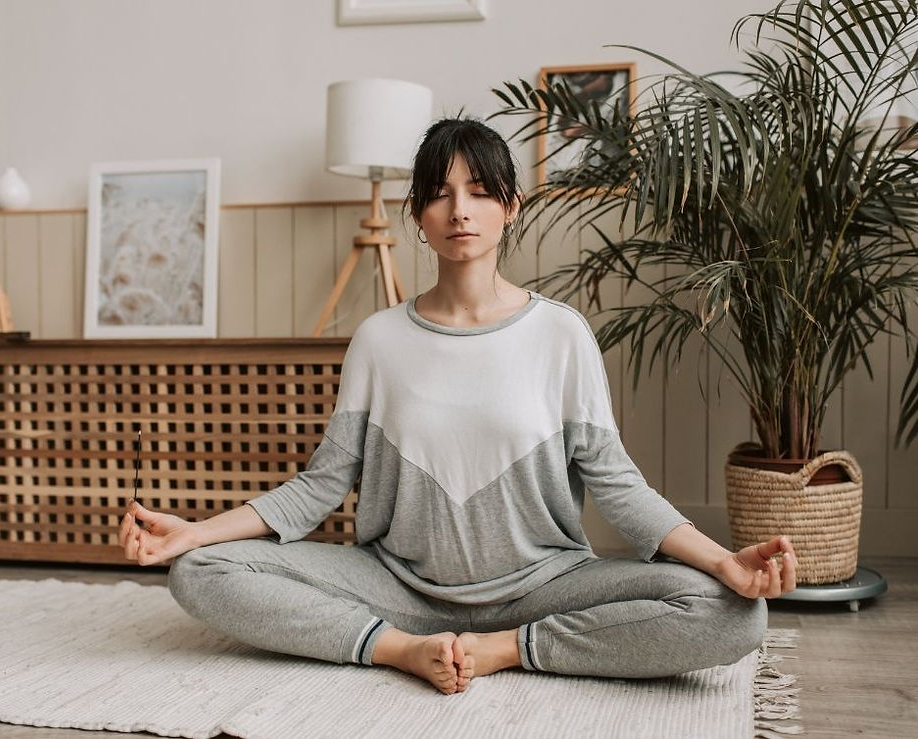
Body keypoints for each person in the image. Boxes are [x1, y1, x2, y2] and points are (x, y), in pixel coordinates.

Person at [119, 117, 797, 696]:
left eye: (479, 191)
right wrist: (197, 531)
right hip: (398, 587)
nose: (460, 210)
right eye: (440, 195)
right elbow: (320, 484)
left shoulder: (561, 334)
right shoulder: (380, 339)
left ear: (513, 204)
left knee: (735, 615)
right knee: (200, 572)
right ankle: (398, 648)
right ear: (418, 214)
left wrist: (722, 562)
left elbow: (618, 486)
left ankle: (509, 646)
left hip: (545, 583)